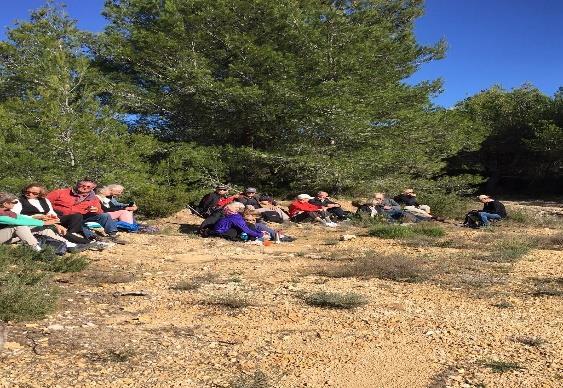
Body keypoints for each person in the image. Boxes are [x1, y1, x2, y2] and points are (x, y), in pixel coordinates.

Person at [14, 183, 93, 245]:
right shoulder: (19, 201)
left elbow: (50, 211)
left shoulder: (44, 200)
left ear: (39, 194)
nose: (30, 194)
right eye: (28, 192)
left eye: (34, 193)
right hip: (33, 221)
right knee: (54, 227)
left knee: (77, 216)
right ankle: (83, 241)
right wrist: (35, 217)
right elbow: (15, 216)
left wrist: (53, 218)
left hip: (48, 219)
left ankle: (73, 234)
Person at [47, 178, 122, 242]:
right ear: (77, 185)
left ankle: (113, 234)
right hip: (61, 217)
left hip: (82, 218)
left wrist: (96, 210)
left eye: (88, 187)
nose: (85, 188)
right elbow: (45, 201)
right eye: (82, 185)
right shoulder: (61, 192)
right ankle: (93, 237)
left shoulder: (93, 198)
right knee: (78, 218)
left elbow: (100, 211)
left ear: (92, 188)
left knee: (105, 215)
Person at [0, 192, 68, 251]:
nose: (15, 204)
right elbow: (17, 222)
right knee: (19, 226)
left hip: (5, 236)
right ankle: (36, 250)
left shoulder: (8, 212)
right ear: (5, 203)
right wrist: (43, 223)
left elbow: (22, 218)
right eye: (14, 202)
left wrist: (44, 220)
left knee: (36, 226)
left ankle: (65, 243)